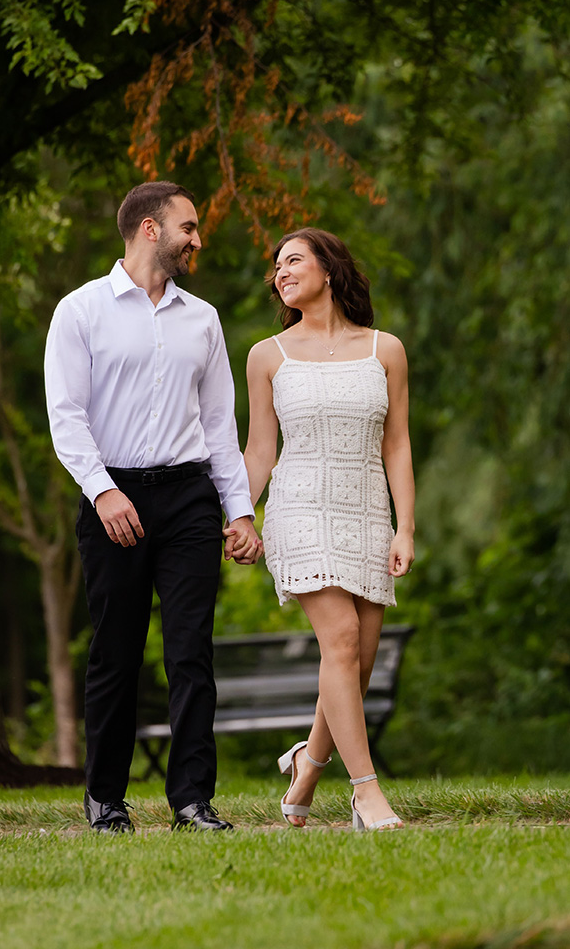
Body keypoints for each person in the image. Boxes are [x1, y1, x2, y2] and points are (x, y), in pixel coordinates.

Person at [44, 181, 261, 835]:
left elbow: (221, 424)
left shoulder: (203, 318)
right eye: (187, 227)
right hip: (113, 497)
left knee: (190, 651)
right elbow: (66, 415)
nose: (197, 238)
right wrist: (103, 490)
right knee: (115, 651)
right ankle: (105, 801)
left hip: (189, 498)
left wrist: (240, 510)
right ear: (147, 229)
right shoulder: (79, 311)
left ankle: (192, 801)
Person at [243, 227, 415, 831]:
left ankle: (307, 768)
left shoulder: (384, 350)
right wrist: (237, 513)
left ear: (329, 267)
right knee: (339, 638)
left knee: (357, 659)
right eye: (276, 266)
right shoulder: (268, 355)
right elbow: (261, 449)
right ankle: (367, 794)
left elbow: (397, 445)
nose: (280, 272)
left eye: (293, 260)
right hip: (299, 507)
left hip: (367, 510)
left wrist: (406, 528)